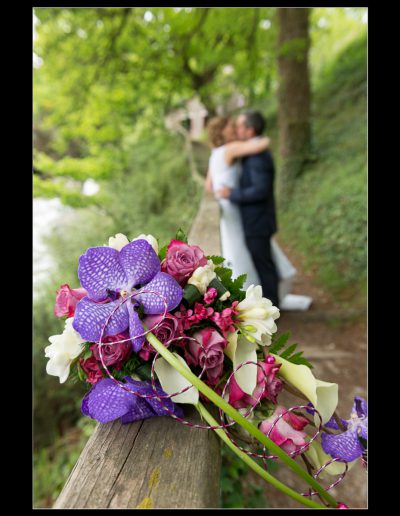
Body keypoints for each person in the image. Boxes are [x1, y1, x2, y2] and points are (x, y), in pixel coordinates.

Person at [216, 110, 280, 307]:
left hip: (258, 220)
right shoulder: (251, 152)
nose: (238, 130)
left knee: (264, 265)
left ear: (250, 131)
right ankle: (273, 303)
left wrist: (232, 194)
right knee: (263, 263)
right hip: (255, 220)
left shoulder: (257, 157)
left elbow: (260, 190)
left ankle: (274, 306)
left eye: (241, 126)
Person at [205, 116, 270, 289]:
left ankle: (243, 290)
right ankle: (251, 288)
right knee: (240, 246)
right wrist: (265, 138)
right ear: (222, 131)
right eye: (230, 126)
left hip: (225, 205)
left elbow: (208, 185)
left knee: (233, 247)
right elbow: (259, 146)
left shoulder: (215, 153)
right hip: (233, 204)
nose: (234, 128)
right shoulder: (230, 149)